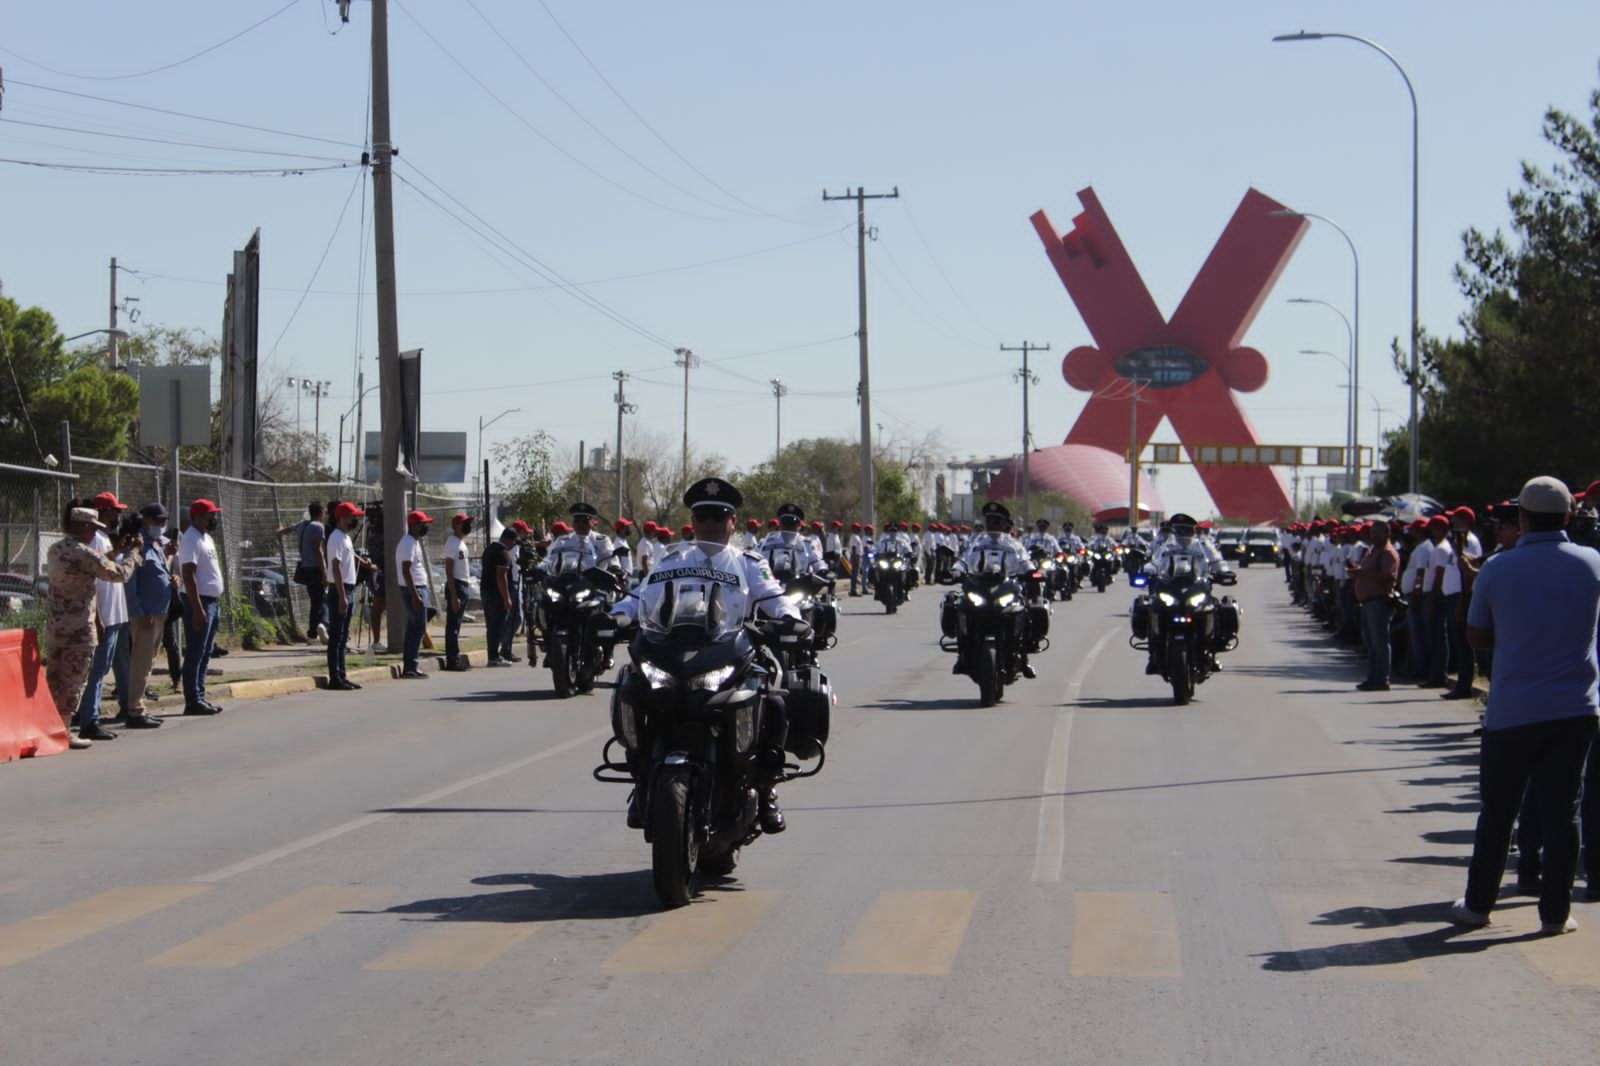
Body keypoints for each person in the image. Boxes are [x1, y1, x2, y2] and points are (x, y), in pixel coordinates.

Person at [610, 476, 802, 833]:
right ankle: (640, 775)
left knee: (774, 700)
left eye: (720, 516)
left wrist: (791, 618)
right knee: (631, 689)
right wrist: (615, 614)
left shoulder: (747, 561)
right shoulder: (671, 559)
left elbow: (773, 596)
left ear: (733, 522)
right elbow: (640, 595)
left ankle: (765, 790)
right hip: (673, 650)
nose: (711, 524)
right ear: (693, 522)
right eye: (704, 517)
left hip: (730, 651)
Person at [1452, 476, 1600, 935]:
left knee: (1499, 811)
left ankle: (1478, 906)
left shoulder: (1498, 568)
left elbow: (1476, 635)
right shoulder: (1593, 563)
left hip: (1514, 709)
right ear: (1570, 517)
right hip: (1576, 708)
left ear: (1522, 518)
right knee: (1563, 813)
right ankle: (1555, 915)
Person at [46, 506, 139, 749]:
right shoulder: (83, 552)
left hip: (56, 627)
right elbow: (117, 574)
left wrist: (113, 551)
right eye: (92, 528)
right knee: (74, 681)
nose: (94, 533)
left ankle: (50, 727)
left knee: (55, 680)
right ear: (83, 527)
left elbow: (95, 563)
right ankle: (64, 731)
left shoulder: (56, 550)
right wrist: (132, 556)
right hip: (78, 628)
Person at [952, 501, 1037, 679]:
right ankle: (963, 653)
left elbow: (1024, 561)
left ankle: (1024, 656)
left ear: (1005, 524)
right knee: (957, 605)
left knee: (1027, 609)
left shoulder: (1014, 544)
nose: (992, 524)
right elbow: (965, 559)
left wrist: (1031, 571)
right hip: (980, 584)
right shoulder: (977, 541)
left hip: (1006, 585)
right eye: (989, 520)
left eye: (997, 521)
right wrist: (956, 570)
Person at [74, 492, 132, 741]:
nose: (118, 515)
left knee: (105, 667)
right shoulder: (96, 539)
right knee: (97, 670)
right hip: (105, 613)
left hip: (115, 612)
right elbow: (97, 577)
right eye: (113, 511)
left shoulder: (106, 538)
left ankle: (91, 715)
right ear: (101, 512)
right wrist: (98, 617)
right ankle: (89, 720)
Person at [119, 503, 172, 728]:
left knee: (147, 663)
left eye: (163, 521)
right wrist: (141, 612)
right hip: (145, 616)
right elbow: (131, 584)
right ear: (146, 520)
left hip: (159, 612)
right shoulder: (138, 545)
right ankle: (135, 710)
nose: (161, 525)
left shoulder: (156, 545)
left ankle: (138, 705)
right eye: (157, 521)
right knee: (140, 663)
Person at [178, 498, 226, 716]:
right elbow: (188, 575)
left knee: (206, 652)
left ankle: (200, 694)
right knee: (196, 652)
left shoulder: (205, 537)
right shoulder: (190, 539)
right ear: (197, 516)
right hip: (199, 601)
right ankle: (192, 700)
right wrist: (197, 608)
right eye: (210, 515)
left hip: (212, 601)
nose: (214, 518)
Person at [1350, 520, 1400, 692]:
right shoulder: (1373, 551)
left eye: (1377, 533)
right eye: (1372, 533)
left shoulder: (1388, 553)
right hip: (1368, 601)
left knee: (1380, 642)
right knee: (1371, 644)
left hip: (1379, 601)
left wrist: (1364, 573)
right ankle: (1373, 678)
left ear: (1387, 534)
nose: (1373, 536)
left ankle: (1382, 678)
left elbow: (1388, 578)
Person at [1441, 507, 1484, 701]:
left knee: (1464, 643)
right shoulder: (1457, 542)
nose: (1453, 523)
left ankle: (1464, 685)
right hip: (1454, 595)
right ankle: (1461, 683)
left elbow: (1468, 571)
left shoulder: (1470, 542)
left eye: (1456, 519)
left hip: (1462, 595)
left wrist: (1464, 600)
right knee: (1458, 642)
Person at [324, 501, 365, 690]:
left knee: (343, 636)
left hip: (348, 589)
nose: (355, 520)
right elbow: (335, 567)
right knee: (336, 636)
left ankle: (342, 674)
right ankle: (335, 677)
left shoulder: (345, 538)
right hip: (339, 590)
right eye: (352, 517)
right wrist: (342, 596)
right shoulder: (336, 538)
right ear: (341, 518)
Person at [280, 502, 329, 644]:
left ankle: (313, 634)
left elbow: (288, 529)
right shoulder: (318, 527)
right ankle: (321, 626)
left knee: (315, 600)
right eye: (324, 512)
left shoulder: (303, 525)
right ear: (320, 513)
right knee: (322, 599)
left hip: (305, 567)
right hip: (316, 568)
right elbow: (319, 550)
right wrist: (325, 573)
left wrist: (280, 531)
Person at [395, 509, 432, 679]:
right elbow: (405, 570)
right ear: (413, 525)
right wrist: (415, 595)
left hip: (418, 588)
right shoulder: (408, 542)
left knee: (416, 628)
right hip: (414, 589)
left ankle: (411, 666)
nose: (425, 526)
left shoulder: (414, 541)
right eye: (422, 524)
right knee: (418, 628)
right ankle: (410, 666)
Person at [541, 503, 616, 574]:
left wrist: (616, 568)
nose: (580, 524)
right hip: (565, 581)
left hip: (594, 584)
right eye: (577, 521)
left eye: (584, 521)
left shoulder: (602, 540)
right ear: (573, 523)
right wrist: (539, 569)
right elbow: (548, 560)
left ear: (592, 523)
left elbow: (612, 560)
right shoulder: (562, 541)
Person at [482, 527, 518, 667]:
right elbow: (501, 577)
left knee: (491, 626)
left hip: (486, 592)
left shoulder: (489, 549)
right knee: (497, 626)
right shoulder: (503, 553)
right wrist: (506, 598)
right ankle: (494, 657)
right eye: (514, 542)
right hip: (497, 595)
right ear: (510, 540)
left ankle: (493, 655)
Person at [441, 511, 473, 670]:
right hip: (456, 586)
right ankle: (452, 659)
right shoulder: (452, 543)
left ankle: (455, 656)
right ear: (455, 525)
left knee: (457, 624)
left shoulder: (460, 542)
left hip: (463, 585)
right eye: (464, 523)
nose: (467, 525)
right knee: (453, 625)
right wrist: (454, 595)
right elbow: (449, 570)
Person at [364, 503, 387, 654]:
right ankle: (377, 640)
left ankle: (377, 640)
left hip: (382, 572)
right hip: (381, 573)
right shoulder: (374, 535)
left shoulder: (373, 533)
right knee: (378, 608)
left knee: (379, 608)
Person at [847, 522, 865, 596]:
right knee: (854, 574)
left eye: (858, 528)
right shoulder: (854, 537)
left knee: (856, 574)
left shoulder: (857, 536)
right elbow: (854, 548)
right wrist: (855, 558)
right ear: (854, 529)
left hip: (858, 556)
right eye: (857, 528)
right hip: (856, 556)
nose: (858, 529)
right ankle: (853, 590)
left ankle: (854, 589)